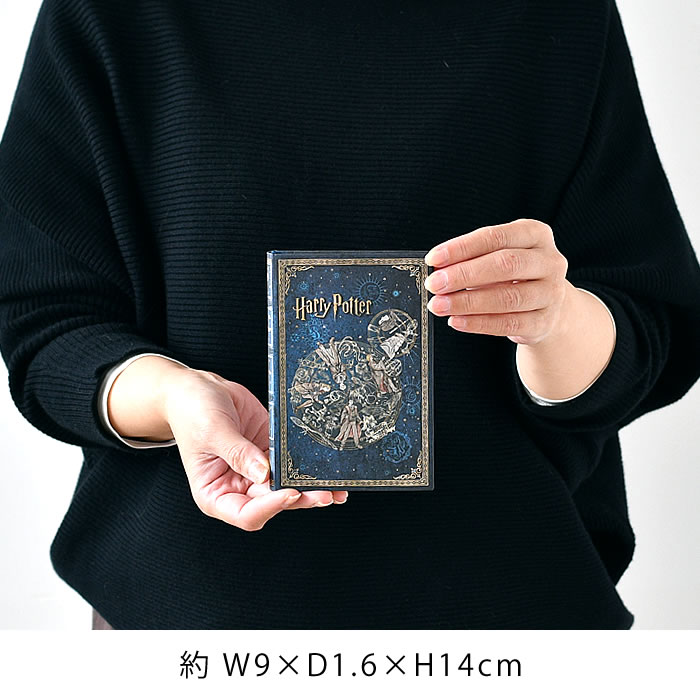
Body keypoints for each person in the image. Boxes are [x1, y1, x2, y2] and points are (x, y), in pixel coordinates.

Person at [0, 0, 699, 630]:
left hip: (513, 617)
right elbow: (48, 318)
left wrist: (555, 321)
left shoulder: (558, 18)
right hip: (183, 623)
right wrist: (173, 397)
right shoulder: (113, 14)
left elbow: (653, 323)